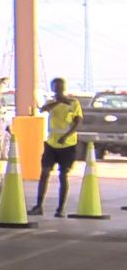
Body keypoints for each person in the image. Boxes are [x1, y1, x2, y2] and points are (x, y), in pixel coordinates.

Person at [31, 77, 84, 216]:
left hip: (67, 144)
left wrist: (66, 136)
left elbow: (78, 122)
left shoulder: (73, 103)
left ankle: (60, 209)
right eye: (55, 87)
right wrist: (58, 101)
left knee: (63, 175)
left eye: (60, 86)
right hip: (51, 144)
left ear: (64, 87)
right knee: (45, 173)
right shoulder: (51, 103)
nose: (58, 89)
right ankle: (38, 206)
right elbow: (43, 109)